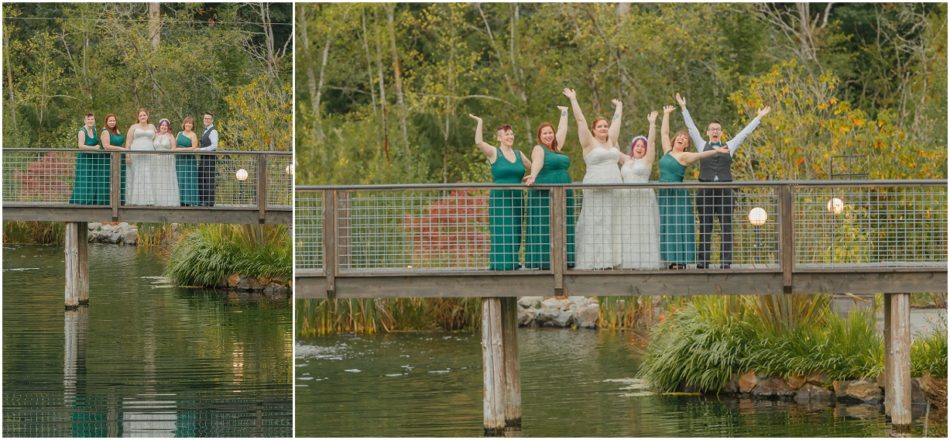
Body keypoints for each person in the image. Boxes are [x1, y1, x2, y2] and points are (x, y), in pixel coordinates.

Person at [676, 93, 770, 269]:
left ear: (721, 132)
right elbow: (691, 128)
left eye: (717, 129)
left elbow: (744, 133)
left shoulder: (730, 145)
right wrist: (683, 108)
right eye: (712, 129)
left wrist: (758, 117)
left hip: (725, 190)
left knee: (726, 226)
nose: (715, 131)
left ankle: (726, 262)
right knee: (705, 226)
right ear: (707, 132)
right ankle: (703, 261)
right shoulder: (701, 144)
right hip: (705, 189)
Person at [657, 105, 729, 269]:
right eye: (680, 137)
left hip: (677, 193)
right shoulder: (667, 151)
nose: (682, 139)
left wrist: (716, 151)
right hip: (664, 193)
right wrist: (666, 114)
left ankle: (680, 260)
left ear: (686, 145)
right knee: (666, 225)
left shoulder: (685, 156)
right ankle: (669, 258)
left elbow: (701, 155)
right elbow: (664, 133)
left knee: (677, 224)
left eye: (685, 140)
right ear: (675, 140)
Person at [563, 88, 624, 270]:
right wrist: (574, 99)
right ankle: (596, 261)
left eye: (605, 126)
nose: (604, 128)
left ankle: (612, 260)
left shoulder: (611, 141)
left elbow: (617, 123)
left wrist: (619, 108)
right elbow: (580, 120)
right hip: (595, 189)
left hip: (614, 189)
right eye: (600, 126)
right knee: (596, 222)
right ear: (594, 130)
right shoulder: (589, 142)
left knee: (612, 222)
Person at [468, 114, 531, 270]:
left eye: (511, 133)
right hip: (500, 197)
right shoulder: (494, 152)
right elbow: (478, 142)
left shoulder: (519, 154)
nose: (510, 136)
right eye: (506, 134)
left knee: (516, 229)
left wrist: (533, 176)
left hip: (517, 197)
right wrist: (480, 122)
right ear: (499, 138)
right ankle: (501, 263)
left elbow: (534, 167)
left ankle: (513, 262)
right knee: (503, 229)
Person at [523, 106, 575, 270]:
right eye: (544, 133)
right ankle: (544, 260)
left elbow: (563, 128)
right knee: (546, 224)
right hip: (545, 193)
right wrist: (533, 175)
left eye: (550, 132)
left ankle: (564, 259)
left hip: (563, 192)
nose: (548, 135)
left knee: (562, 223)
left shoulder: (557, 148)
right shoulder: (539, 148)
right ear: (539, 136)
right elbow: (538, 161)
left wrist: (565, 112)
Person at [619, 111, 661, 269]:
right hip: (626, 199)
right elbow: (612, 146)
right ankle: (628, 261)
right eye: (637, 145)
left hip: (643, 198)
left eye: (642, 146)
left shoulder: (647, 160)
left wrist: (652, 124)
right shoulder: (626, 159)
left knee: (642, 228)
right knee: (628, 228)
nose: (640, 148)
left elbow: (651, 142)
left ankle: (645, 261)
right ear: (632, 147)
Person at [70, 113, 106, 205]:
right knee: (84, 179)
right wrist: (94, 148)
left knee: (93, 179)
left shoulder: (94, 129)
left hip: (94, 159)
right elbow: (80, 146)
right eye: (88, 119)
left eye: (92, 119)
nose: (90, 121)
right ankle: (81, 201)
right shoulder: (82, 131)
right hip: (84, 159)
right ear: (85, 120)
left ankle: (91, 200)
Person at [125, 108, 156, 206]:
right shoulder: (133, 127)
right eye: (141, 115)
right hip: (136, 155)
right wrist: (127, 156)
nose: (142, 117)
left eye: (144, 115)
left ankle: (149, 201)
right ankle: (135, 201)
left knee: (148, 175)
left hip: (150, 155)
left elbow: (158, 138)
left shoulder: (152, 126)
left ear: (147, 116)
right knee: (137, 175)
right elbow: (128, 141)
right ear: (138, 117)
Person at [100, 113, 128, 205]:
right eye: (110, 121)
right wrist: (122, 149)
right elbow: (106, 146)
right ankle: (109, 203)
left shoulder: (116, 131)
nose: (112, 122)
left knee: (120, 180)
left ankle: (120, 201)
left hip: (120, 159)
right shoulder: (105, 131)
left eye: (114, 120)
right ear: (106, 122)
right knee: (111, 180)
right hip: (110, 159)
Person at [152, 118, 181, 206]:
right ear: (159, 126)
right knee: (157, 179)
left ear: (168, 127)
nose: (164, 127)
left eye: (166, 125)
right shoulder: (155, 135)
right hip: (156, 160)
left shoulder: (170, 136)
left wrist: (169, 155)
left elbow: (173, 148)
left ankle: (168, 202)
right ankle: (157, 201)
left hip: (167, 160)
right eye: (162, 125)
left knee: (166, 179)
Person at [175, 117, 201, 206]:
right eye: (187, 123)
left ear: (192, 125)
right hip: (179, 160)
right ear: (184, 124)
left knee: (188, 178)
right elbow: (174, 146)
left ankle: (188, 201)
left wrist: (182, 150)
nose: (188, 124)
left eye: (190, 123)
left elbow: (194, 147)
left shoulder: (193, 135)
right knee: (179, 178)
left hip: (188, 160)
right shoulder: (179, 133)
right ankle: (179, 200)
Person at [198, 112, 218, 206]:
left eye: (208, 118)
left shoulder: (213, 131)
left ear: (212, 120)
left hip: (210, 158)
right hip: (204, 158)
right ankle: (203, 200)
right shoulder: (205, 130)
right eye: (205, 118)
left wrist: (200, 150)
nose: (206, 120)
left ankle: (209, 202)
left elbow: (214, 146)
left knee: (209, 179)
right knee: (202, 178)